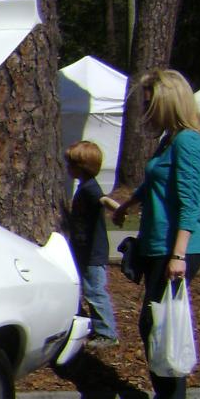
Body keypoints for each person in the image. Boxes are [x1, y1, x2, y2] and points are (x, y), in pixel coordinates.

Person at [111, 69, 200, 399]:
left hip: (176, 249)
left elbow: (191, 203)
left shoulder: (188, 143)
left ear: (167, 100)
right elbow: (153, 183)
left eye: (150, 100)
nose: (145, 106)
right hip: (156, 246)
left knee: (163, 328)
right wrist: (126, 205)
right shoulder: (169, 141)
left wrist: (178, 256)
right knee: (153, 326)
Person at [66, 140, 120, 348]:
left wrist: (118, 208)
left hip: (93, 253)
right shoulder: (83, 188)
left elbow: (103, 200)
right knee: (84, 287)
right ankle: (86, 323)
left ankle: (107, 332)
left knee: (95, 291)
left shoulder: (91, 189)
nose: (68, 169)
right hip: (82, 250)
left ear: (82, 167)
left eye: (71, 165)